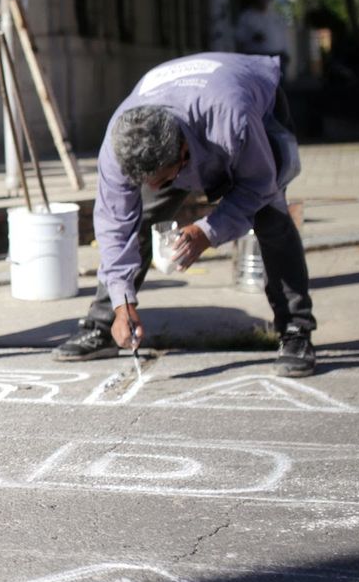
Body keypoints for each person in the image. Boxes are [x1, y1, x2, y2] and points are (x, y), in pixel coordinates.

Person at [52, 52, 316, 377]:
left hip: (253, 105)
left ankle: (295, 331)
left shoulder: (231, 118)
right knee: (141, 218)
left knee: (270, 215)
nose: (157, 186)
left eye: (163, 180)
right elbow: (114, 227)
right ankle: (106, 323)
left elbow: (258, 186)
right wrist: (124, 303)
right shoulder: (117, 145)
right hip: (184, 118)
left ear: (182, 152)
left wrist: (208, 230)